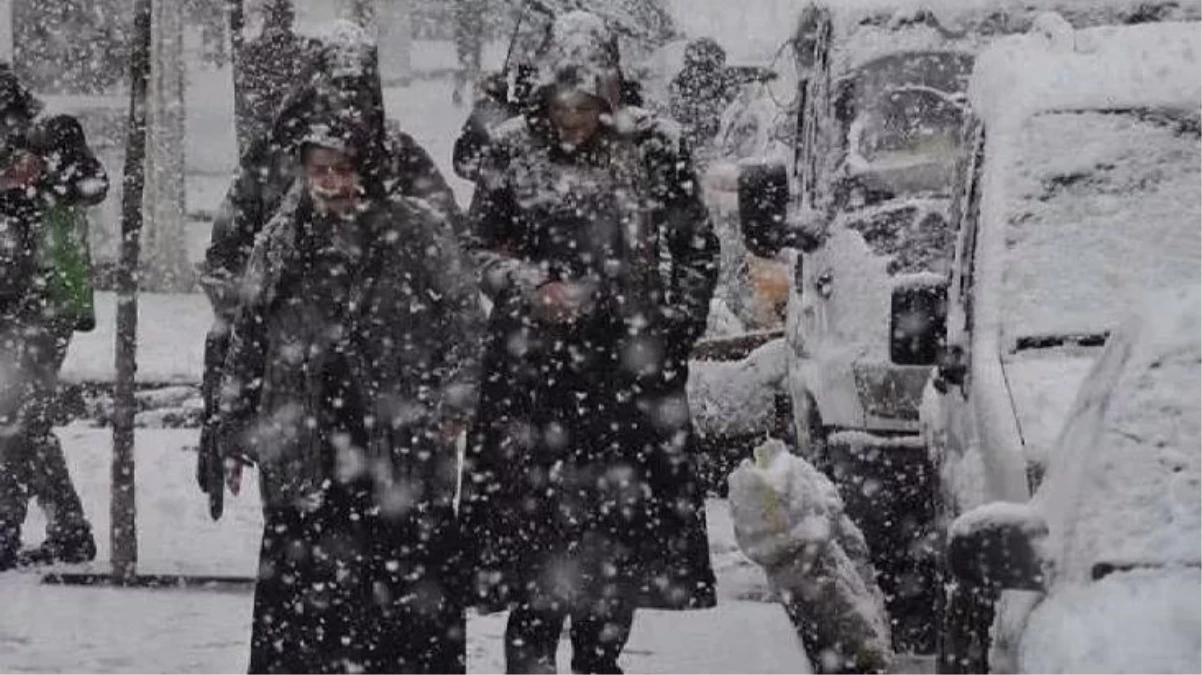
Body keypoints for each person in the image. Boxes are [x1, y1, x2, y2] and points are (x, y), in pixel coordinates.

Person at [460, 11, 721, 675]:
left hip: (626, 379)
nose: (572, 119)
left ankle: (598, 660)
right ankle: (532, 659)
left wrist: (671, 330)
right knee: (533, 540)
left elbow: (695, 245)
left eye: (586, 105)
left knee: (617, 545)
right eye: (561, 105)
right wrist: (529, 284)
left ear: (609, 97)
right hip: (530, 378)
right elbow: (474, 246)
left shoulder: (655, 146)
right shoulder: (512, 148)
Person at [215, 83, 483, 674]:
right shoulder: (281, 239)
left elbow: (465, 318)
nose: (331, 183)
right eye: (320, 170)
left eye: (343, 169)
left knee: (402, 607)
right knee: (307, 612)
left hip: (399, 445)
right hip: (307, 442)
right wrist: (231, 426)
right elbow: (248, 335)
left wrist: (454, 398)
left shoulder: (416, 231)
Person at [199, 22, 462, 513]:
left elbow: (452, 260)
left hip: (389, 387)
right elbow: (228, 264)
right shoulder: (275, 158)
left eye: (355, 87)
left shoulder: (401, 159)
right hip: (301, 388)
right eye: (334, 85)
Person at [0, 66, 109, 570]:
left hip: (45, 302)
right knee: (24, 421)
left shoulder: (54, 132)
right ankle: (69, 531)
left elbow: (92, 184)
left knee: (15, 417)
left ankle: (8, 531)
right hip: (12, 300)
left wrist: (41, 170)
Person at [669, 37, 738, 155]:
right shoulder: (683, 78)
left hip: (710, 132)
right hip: (691, 130)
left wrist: (717, 108)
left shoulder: (721, 78)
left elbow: (730, 98)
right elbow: (675, 102)